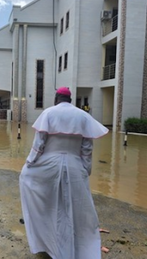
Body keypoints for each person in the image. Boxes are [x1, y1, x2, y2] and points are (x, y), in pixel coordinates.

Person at [19, 87, 109, 259]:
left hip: (48, 166)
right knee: (74, 209)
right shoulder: (82, 116)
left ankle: (47, 243)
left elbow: (39, 145)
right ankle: (77, 248)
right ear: (70, 99)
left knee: (46, 200)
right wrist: (85, 171)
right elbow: (87, 149)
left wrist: (29, 163)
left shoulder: (48, 113)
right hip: (75, 166)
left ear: (56, 98)